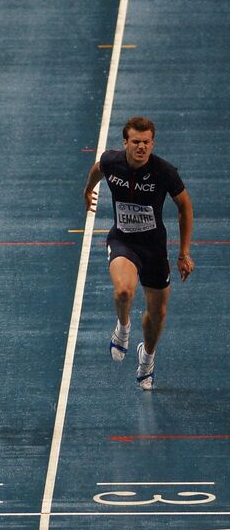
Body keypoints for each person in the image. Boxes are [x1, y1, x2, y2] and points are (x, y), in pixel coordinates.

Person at [82, 116, 193, 390]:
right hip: (123, 242)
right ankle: (123, 327)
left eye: (146, 142)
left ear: (152, 143)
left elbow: (185, 209)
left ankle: (147, 358)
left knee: (158, 315)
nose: (141, 147)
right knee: (123, 291)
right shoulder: (112, 161)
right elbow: (97, 169)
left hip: (154, 249)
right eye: (136, 142)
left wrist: (183, 253)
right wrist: (88, 191)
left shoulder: (164, 172)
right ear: (126, 143)